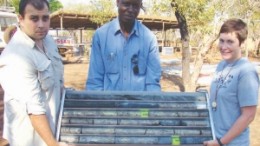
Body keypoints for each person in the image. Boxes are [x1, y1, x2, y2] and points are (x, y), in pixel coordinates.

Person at [0, 0, 67, 145]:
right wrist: (53, 144)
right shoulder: (16, 56)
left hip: (51, 129)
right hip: (30, 140)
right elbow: (34, 110)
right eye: (34, 18)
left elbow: (57, 83)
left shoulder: (48, 41)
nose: (41, 25)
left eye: (45, 18)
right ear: (21, 19)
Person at [203, 18, 259, 146]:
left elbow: (249, 116)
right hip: (214, 138)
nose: (224, 47)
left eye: (230, 42)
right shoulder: (221, 65)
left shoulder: (246, 72)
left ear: (242, 43)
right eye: (221, 41)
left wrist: (221, 142)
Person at [86, 0, 161, 91]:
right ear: (117, 2)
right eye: (126, 4)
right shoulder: (100, 36)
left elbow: (152, 84)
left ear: (140, 6)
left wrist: (150, 104)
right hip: (110, 104)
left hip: (140, 104)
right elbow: (95, 83)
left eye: (135, 5)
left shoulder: (149, 39)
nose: (130, 9)